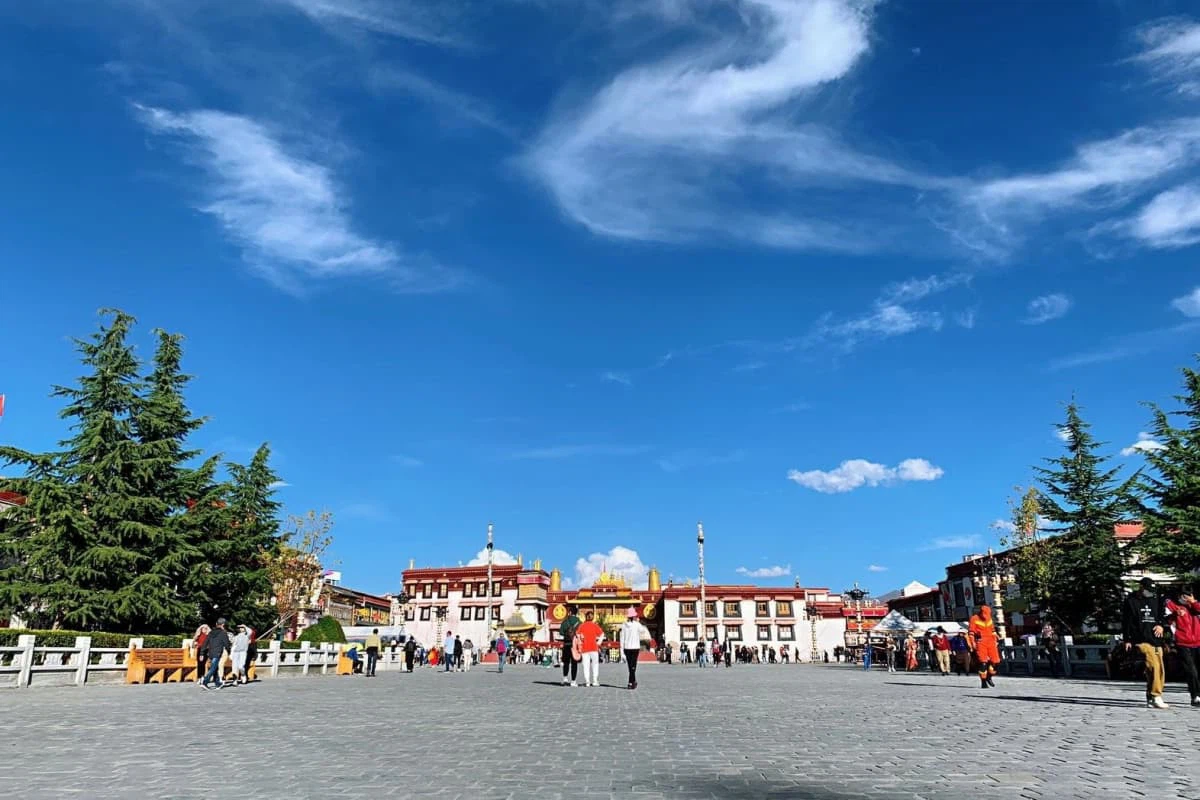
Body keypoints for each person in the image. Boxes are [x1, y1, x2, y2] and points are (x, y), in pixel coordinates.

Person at [1124, 577, 1169, 709]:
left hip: (1156, 639)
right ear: (1141, 587)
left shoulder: (1156, 600)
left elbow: (1162, 617)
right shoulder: (1131, 601)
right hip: (1140, 639)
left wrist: (1161, 626)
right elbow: (1126, 622)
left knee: (1158, 668)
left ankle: (1150, 696)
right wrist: (1127, 639)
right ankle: (1156, 695)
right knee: (1153, 665)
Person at [1167, 587, 1200, 706]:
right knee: (1191, 670)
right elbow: (1166, 613)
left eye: (1188, 595)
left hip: (1198, 641)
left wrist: (1193, 602)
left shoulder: (1194, 606)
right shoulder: (1173, 605)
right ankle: (1195, 695)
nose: (1185, 598)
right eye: (1184, 596)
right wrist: (1176, 612)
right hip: (1183, 642)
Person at [968, 605, 1001, 688]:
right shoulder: (974, 618)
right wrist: (972, 643)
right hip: (981, 642)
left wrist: (996, 636)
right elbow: (971, 632)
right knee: (983, 662)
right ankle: (983, 681)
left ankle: (989, 676)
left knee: (996, 661)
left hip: (991, 641)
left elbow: (992, 629)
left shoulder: (989, 618)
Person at [620, 607, 651, 689]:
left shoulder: (623, 626)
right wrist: (638, 621)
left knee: (630, 666)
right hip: (635, 647)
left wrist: (621, 651)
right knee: (633, 666)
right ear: (634, 616)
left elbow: (622, 639)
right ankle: (631, 682)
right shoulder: (637, 625)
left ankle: (632, 682)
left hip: (626, 648)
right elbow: (643, 630)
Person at [574, 611, 605, 687]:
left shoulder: (582, 626)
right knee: (595, 665)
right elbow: (602, 634)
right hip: (594, 648)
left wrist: (581, 640)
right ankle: (595, 680)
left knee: (586, 665)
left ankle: (587, 681)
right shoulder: (595, 626)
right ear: (592, 618)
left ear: (586, 617)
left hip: (585, 648)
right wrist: (598, 643)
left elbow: (577, 634)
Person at [201, 618, 231, 690]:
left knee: (215, 668)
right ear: (223, 625)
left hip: (211, 653)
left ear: (216, 624)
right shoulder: (223, 633)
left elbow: (205, 643)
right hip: (218, 652)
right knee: (213, 668)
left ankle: (218, 683)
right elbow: (227, 644)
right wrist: (229, 651)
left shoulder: (211, 633)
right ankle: (205, 682)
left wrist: (201, 653)